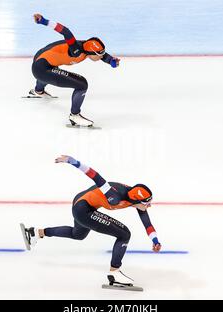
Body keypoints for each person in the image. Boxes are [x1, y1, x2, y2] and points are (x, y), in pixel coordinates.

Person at [22, 155, 162, 286]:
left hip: (82, 204)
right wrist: (72, 161)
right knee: (124, 234)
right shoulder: (115, 195)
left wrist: (155, 241)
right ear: (137, 200)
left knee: (78, 235)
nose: (148, 206)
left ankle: (36, 233)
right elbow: (96, 176)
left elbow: (146, 222)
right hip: (83, 208)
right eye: (146, 203)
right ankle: (114, 272)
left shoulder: (134, 201)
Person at [29, 13, 121, 127]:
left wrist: (111, 60)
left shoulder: (87, 47)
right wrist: (44, 21)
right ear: (91, 53)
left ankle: (38, 91)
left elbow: (102, 54)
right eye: (100, 55)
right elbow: (65, 31)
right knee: (82, 84)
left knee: (52, 71)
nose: (102, 57)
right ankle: (75, 115)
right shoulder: (75, 49)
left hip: (43, 62)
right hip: (40, 67)